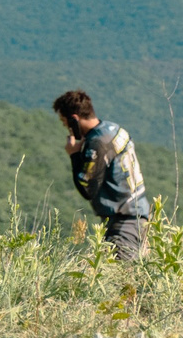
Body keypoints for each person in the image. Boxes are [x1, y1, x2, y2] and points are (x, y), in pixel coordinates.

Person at [52, 90, 151, 259]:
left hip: (123, 221)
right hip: (138, 212)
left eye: (64, 122)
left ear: (74, 119)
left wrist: (74, 155)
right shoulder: (113, 129)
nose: (65, 127)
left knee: (121, 272)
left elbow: (87, 188)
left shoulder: (98, 142)